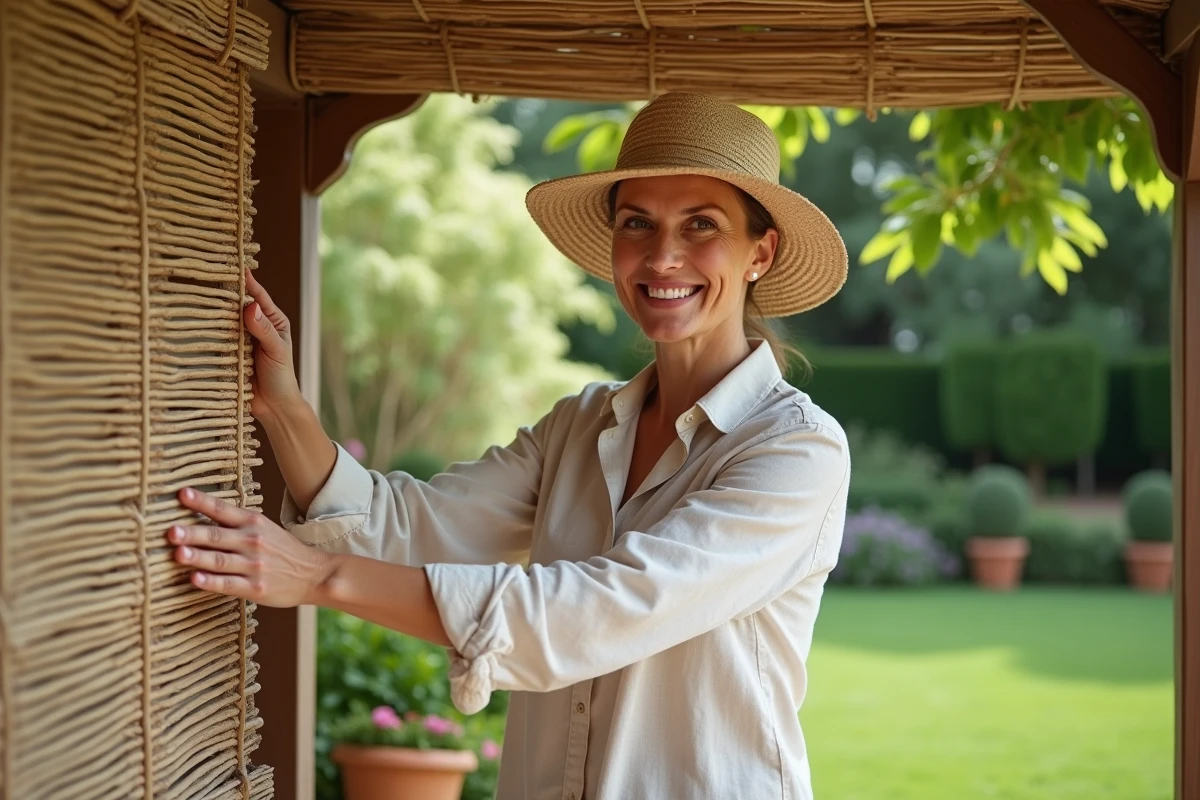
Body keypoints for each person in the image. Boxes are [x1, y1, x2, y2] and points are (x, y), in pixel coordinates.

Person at [170, 91, 852, 800]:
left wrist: (314, 577)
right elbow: (410, 527)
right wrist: (283, 408)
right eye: (637, 223)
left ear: (760, 253)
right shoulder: (580, 425)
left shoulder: (796, 453)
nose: (663, 255)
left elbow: (592, 609)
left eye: (701, 225)